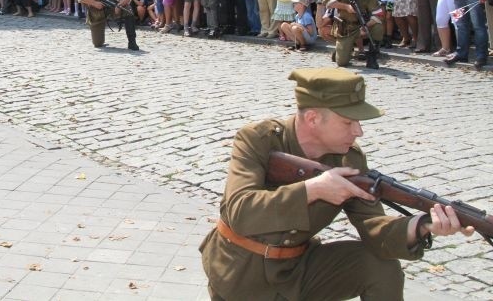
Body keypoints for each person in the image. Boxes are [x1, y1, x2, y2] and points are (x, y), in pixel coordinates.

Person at [200, 67, 473, 301]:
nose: (359, 131)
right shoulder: (259, 139)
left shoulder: (348, 159)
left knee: (380, 266)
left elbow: (373, 227)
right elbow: (240, 211)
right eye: (348, 122)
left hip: (296, 270)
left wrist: (422, 225)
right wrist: (313, 189)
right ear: (312, 118)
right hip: (239, 276)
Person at [322, 0, 384, 68]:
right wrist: (345, 7)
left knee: (378, 27)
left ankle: (372, 57)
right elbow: (326, 1)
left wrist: (366, 26)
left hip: (362, 27)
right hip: (346, 29)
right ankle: (341, 51)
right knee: (342, 63)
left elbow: (379, 14)